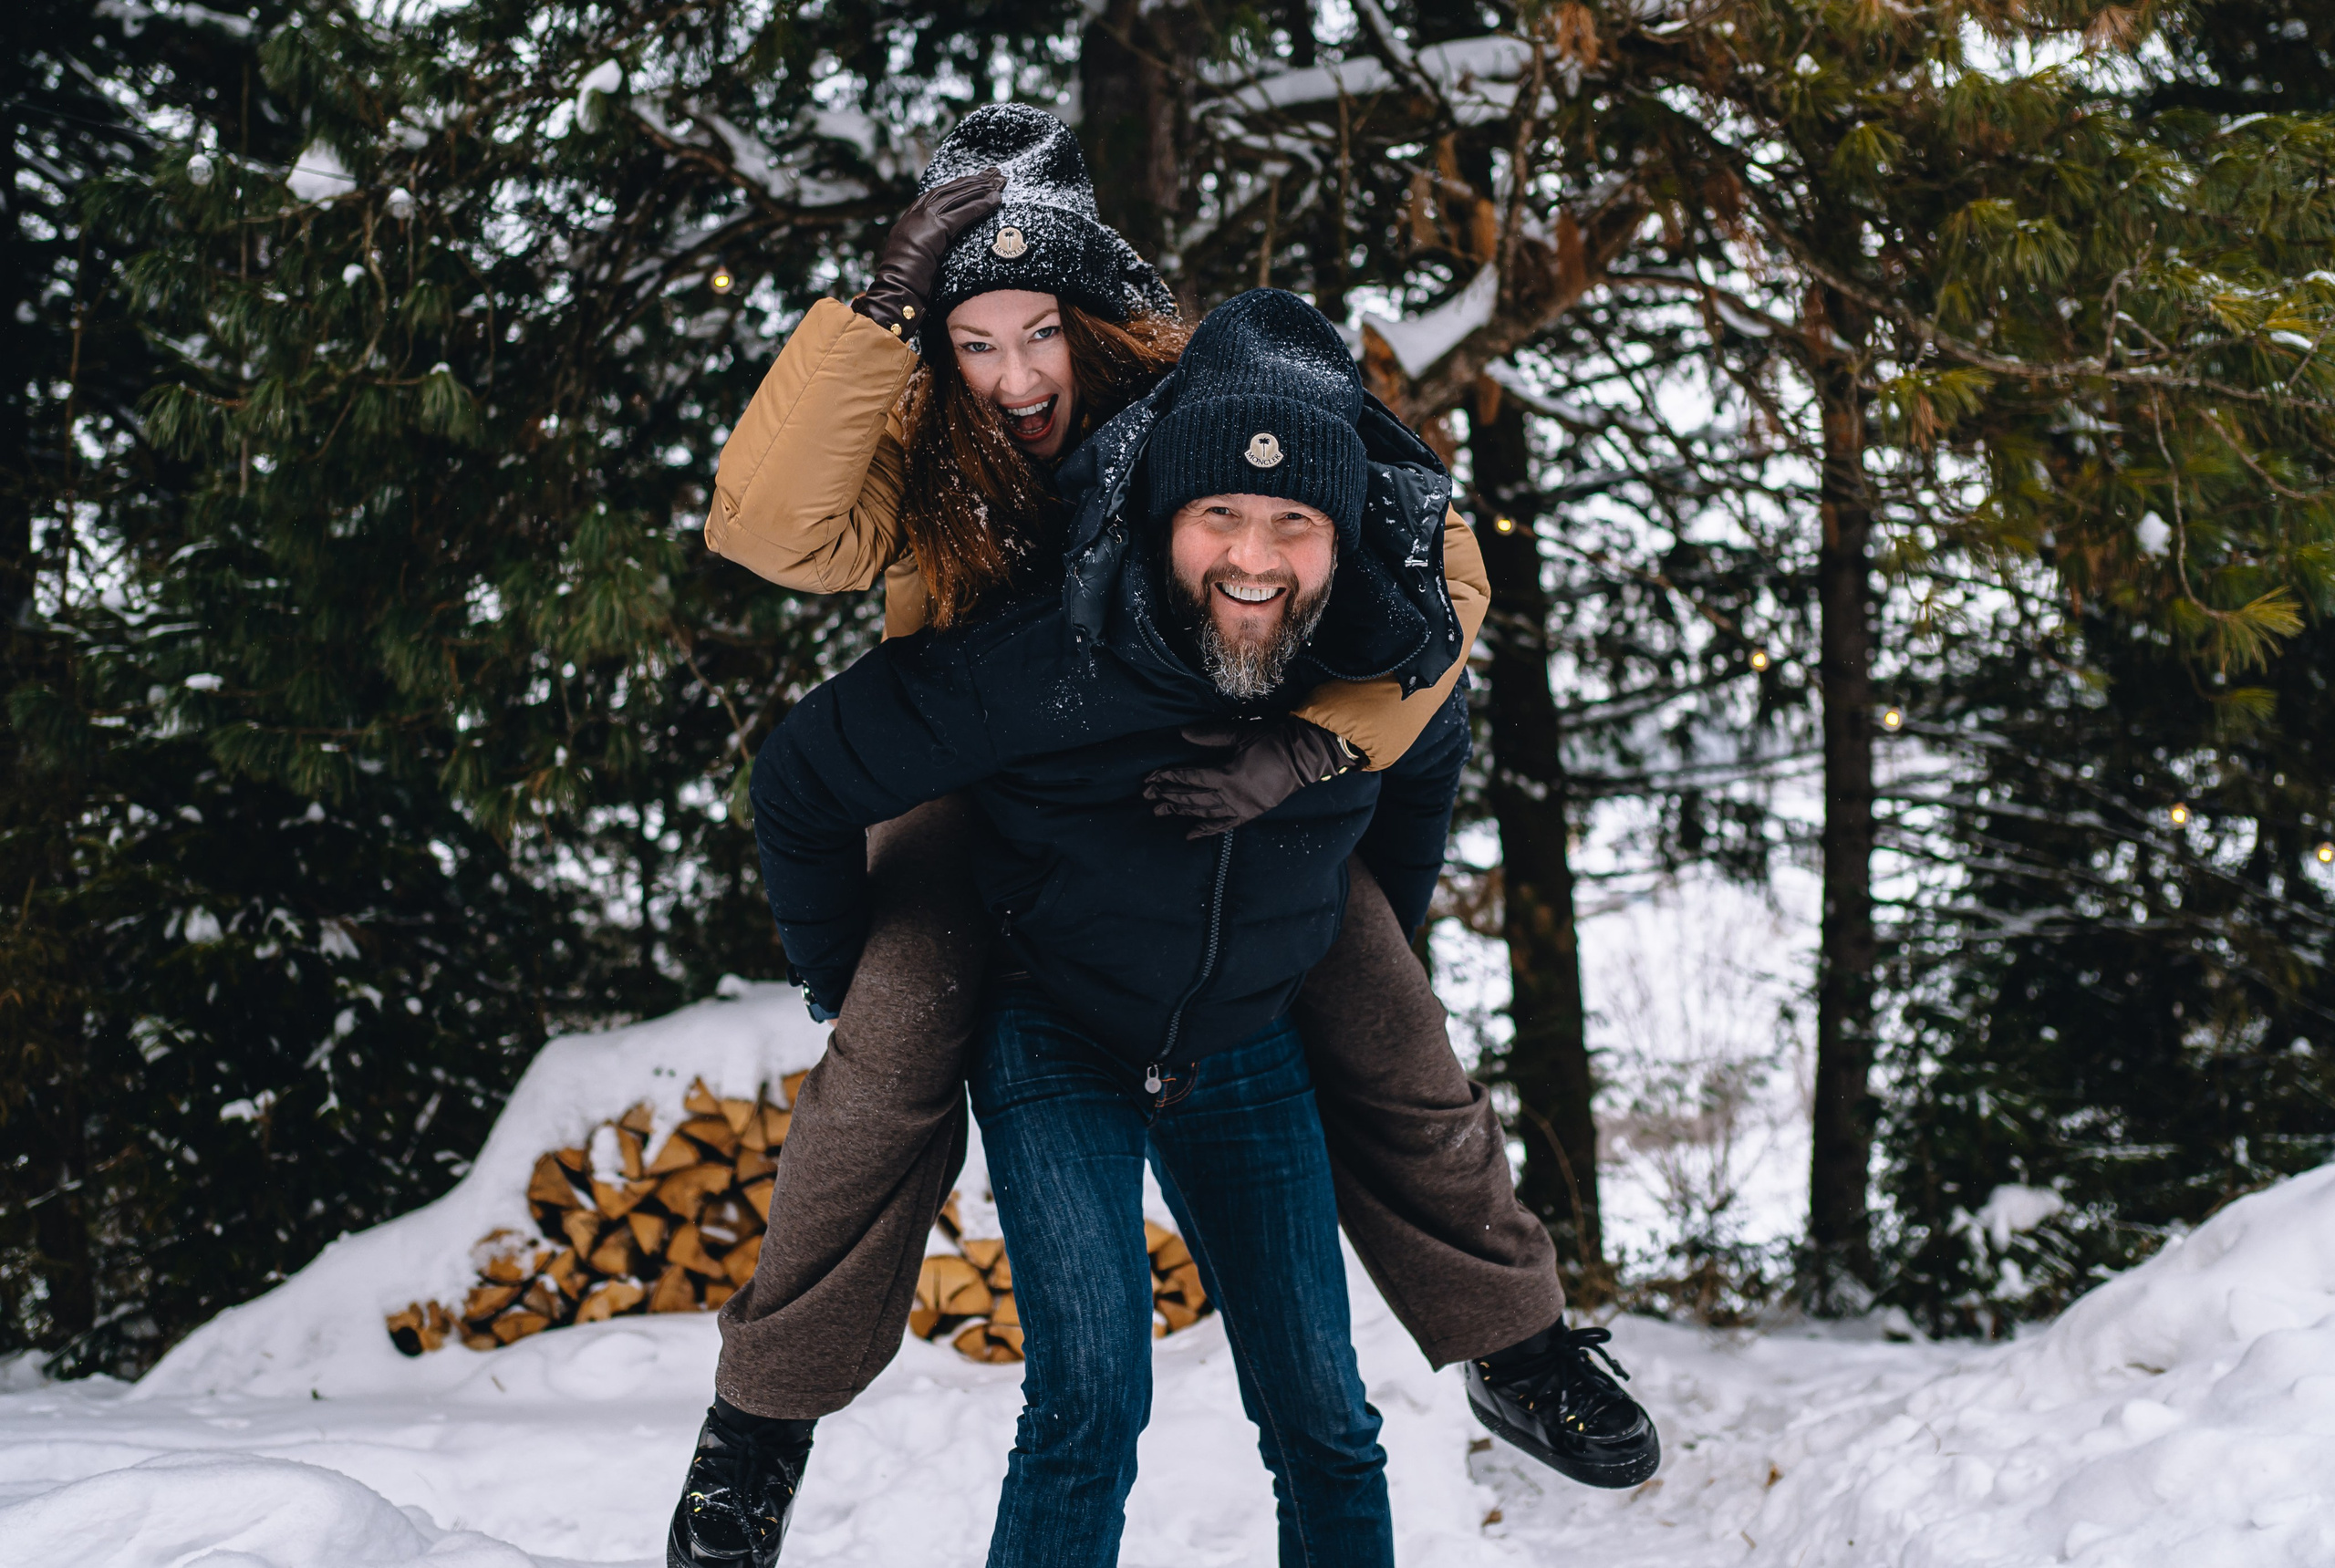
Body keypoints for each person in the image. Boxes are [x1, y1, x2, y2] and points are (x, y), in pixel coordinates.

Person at [669, 107, 1656, 1568]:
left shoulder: (1208, 403)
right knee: (885, 1053)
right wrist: (882, 307)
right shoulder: (926, 444)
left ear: (1096, 318)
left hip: (1231, 782)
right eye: (974, 341)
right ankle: (762, 1423)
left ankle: (1520, 1343)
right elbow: (765, 534)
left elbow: (1439, 585)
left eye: (1041, 334)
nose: (1017, 378)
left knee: (1385, 1008)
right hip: (980, 763)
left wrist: (1322, 753)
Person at [762, 288, 1461, 1564]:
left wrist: (1342, 934)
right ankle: (755, 1431)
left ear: (1341, 534)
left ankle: (1525, 1359)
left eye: (1294, 523)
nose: (1254, 557)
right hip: (1056, 1026)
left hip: (1248, 1043)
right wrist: (840, 971)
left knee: (1326, 1416)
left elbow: (1417, 795)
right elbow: (804, 777)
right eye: (1220, 515)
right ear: (1164, 513)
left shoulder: (1382, 650)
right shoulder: (1040, 648)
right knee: (1088, 1404)